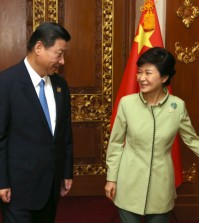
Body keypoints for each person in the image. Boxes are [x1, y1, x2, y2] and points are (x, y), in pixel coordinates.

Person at [104, 47, 199, 223]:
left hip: (161, 184)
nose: (141, 78)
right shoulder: (127, 104)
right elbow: (116, 143)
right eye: (139, 72)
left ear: (164, 77)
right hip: (129, 180)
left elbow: (192, 140)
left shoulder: (177, 106)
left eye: (148, 73)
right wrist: (112, 178)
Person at [0, 22, 73, 223]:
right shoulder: (6, 83)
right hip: (17, 188)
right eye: (59, 54)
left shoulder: (60, 85)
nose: (63, 61)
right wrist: (2, 181)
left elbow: (65, 133)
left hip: (50, 186)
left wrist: (66, 171)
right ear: (39, 48)